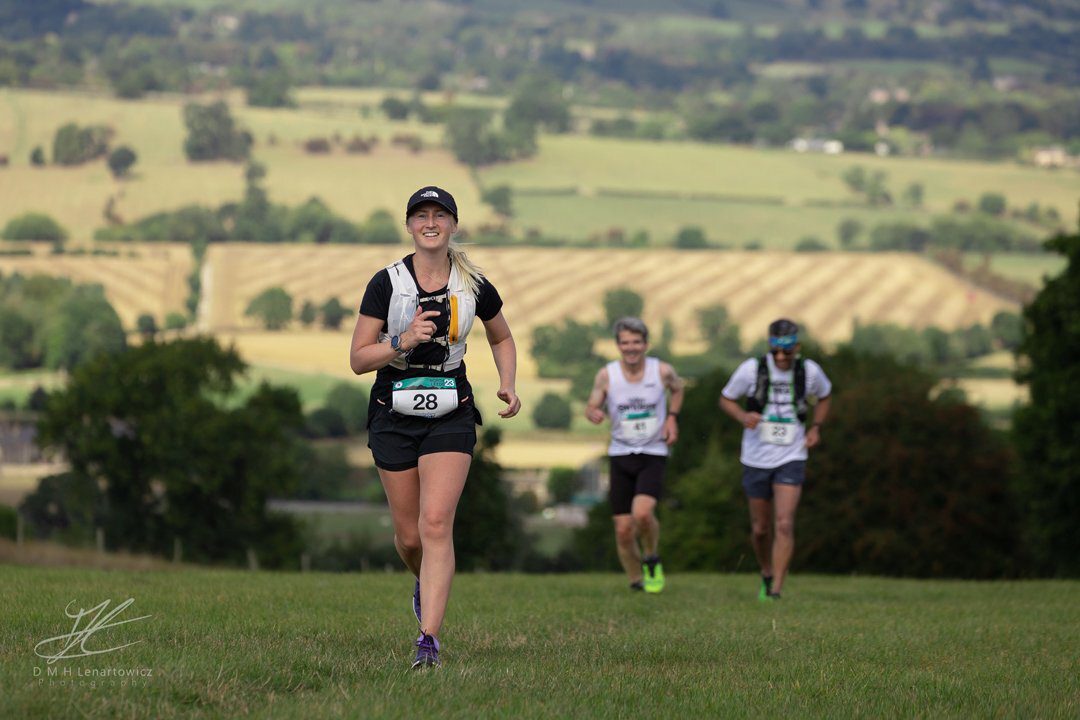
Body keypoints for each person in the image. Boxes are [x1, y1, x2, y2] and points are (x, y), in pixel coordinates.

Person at [349, 186, 520, 669]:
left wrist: (507, 382)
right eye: (421, 215)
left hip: (451, 407)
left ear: (453, 224)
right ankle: (424, 582)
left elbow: (501, 336)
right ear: (408, 226)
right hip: (393, 408)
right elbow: (359, 359)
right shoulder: (386, 283)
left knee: (436, 523)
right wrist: (401, 342)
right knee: (409, 538)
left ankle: (428, 642)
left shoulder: (474, 283)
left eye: (439, 215)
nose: (430, 223)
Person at [718, 318, 832, 601]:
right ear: (769, 346)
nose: (781, 358)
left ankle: (776, 590)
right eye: (776, 351)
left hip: (791, 455)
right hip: (756, 457)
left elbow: (826, 395)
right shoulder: (751, 369)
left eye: (788, 352)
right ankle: (766, 572)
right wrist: (743, 416)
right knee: (760, 529)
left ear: (797, 347)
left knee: (784, 523)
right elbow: (726, 399)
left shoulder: (810, 371)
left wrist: (816, 427)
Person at [585, 317, 684, 593]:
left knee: (642, 514)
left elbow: (678, 390)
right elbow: (592, 404)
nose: (631, 348)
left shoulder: (661, 371)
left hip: (653, 452)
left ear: (646, 344)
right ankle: (636, 582)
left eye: (636, 342)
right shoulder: (607, 375)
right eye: (625, 343)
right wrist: (593, 412)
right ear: (618, 345)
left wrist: (672, 418)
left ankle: (651, 556)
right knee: (623, 529)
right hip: (620, 454)